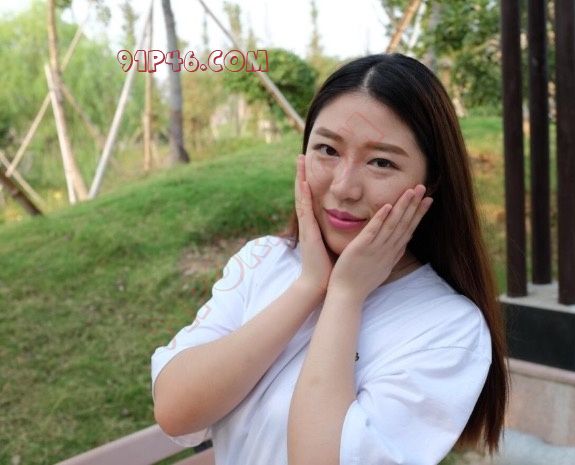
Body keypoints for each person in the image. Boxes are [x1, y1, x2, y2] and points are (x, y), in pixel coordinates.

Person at [151, 52, 508, 465]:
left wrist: (345, 295)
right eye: (327, 149)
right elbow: (176, 410)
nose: (344, 187)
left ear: (432, 184)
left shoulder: (448, 328)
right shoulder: (264, 261)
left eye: (381, 162)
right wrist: (308, 286)